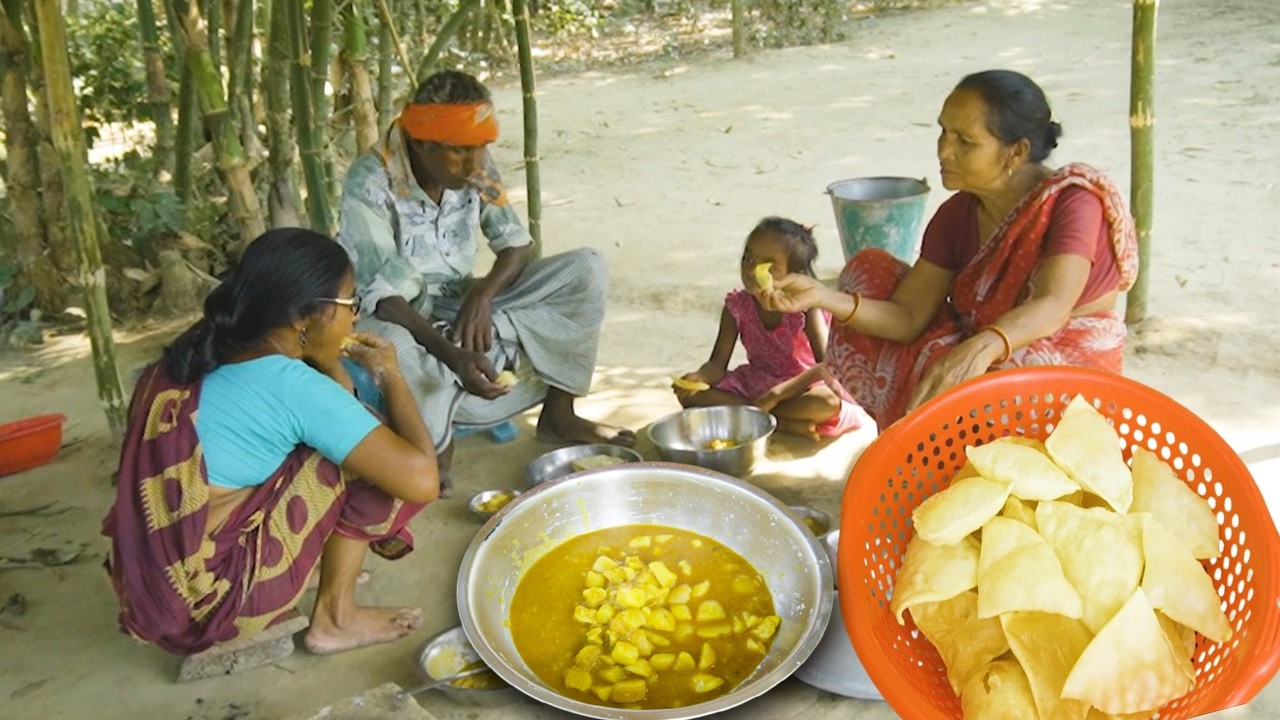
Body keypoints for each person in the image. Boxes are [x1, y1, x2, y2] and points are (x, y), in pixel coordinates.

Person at [101, 228, 440, 657]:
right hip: (211, 603)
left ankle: (308, 565)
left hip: (151, 576)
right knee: (359, 457)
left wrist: (327, 362)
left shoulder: (207, 344)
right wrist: (390, 374)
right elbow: (421, 478)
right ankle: (336, 619)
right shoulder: (291, 385)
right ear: (305, 316)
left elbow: (323, 410)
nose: (354, 318)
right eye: (349, 304)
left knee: (336, 439)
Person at [761, 69, 1138, 427]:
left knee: (986, 383)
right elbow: (908, 317)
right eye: (943, 133)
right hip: (990, 342)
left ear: (1016, 152)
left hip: (1063, 360)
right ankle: (912, 446)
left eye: (965, 142)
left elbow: (1053, 305)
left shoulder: (1072, 202)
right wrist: (824, 297)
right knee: (868, 272)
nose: (944, 151)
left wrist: (980, 349)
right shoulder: (958, 214)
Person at [337, 69, 634, 482]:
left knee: (587, 268)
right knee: (392, 345)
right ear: (422, 145)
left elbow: (515, 244)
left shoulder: (471, 160)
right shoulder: (369, 181)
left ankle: (559, 415)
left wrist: (483, 294)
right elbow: (382, 297)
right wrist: (452, 354)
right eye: (461, 152)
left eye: (481, 150)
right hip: (397, 312)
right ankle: (434, 444)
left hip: (459, 299)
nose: (476, 164)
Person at [674, 217, 868, 439]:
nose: (751, 270)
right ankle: (780, 423)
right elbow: (717, 363)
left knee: (827, 403)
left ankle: (759, 415)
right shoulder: (737, 306)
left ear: (796, 276)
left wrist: (778, 394)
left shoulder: (807, 308)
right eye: (748, 259)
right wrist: (701, 377)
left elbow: (828, 364)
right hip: (757, 381)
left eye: (767, 265)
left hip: (801, 387)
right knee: (690, 395)